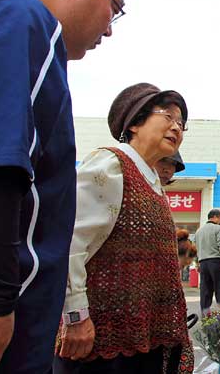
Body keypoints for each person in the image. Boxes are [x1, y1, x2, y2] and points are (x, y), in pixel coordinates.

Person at [0, 0, 125, 373]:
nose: (109, 29)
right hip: (0, 314)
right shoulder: (13, 10)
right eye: (114, 9)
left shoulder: (36, 36)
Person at [54, 83, 193, 373]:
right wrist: (75, 314)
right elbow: (69, 240)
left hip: (144, 338)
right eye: (167, 116)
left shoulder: (153, 182)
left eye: (181, 123)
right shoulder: (111, 164)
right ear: (134, 123)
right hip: (101, 342)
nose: (177, 128)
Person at [194, 209, 220, 315]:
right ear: (215, 217)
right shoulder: (217, 228)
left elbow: (195, 248)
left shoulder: (198, 231)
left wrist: (197, 263)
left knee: (205, 291)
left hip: (203, 263)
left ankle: (205, 316)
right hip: (216, 262)